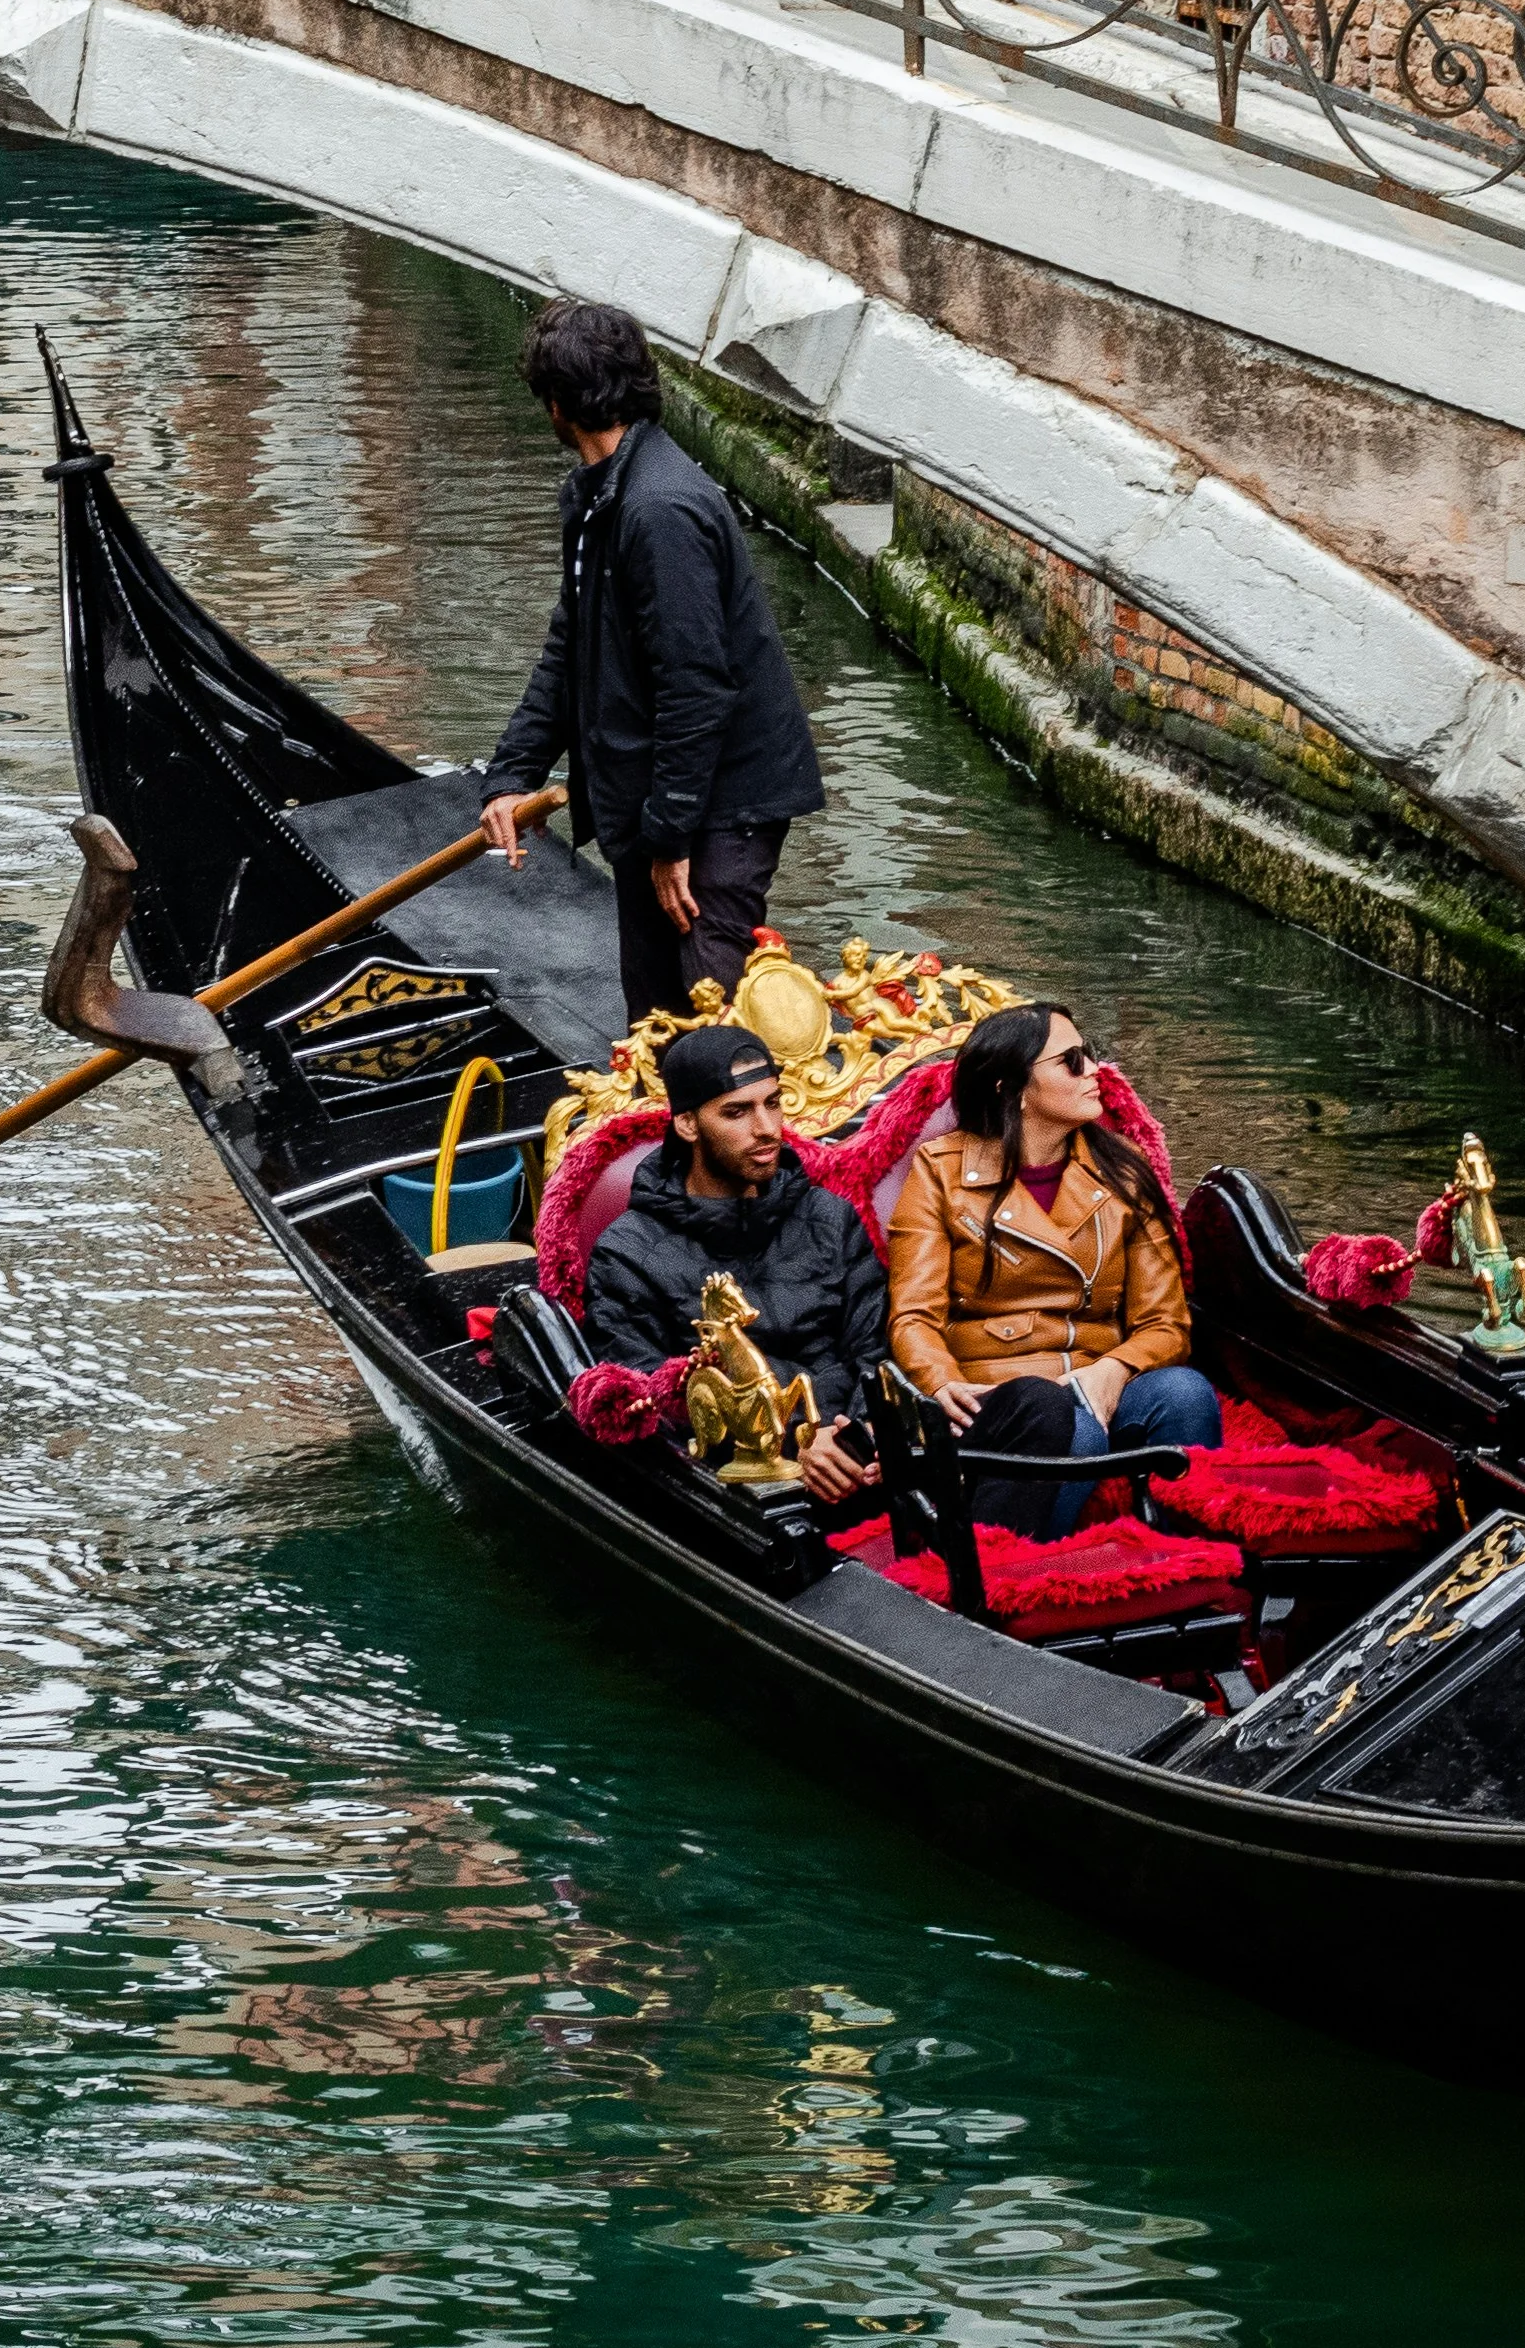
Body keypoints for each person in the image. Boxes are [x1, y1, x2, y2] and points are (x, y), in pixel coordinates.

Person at [472, 300, 825, 1019]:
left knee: (707, 1023)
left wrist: (669, 838)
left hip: (724, 804)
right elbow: (570, 646)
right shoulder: (602, 497)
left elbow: (696, 687)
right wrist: (513, 774)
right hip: (656, 798)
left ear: (556, 405)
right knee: (654, 1019)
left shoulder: (656, 511)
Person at [883, 999, 1218, 1535]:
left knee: (1185, 1394)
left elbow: (1166, 1323)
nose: (1095, 1072)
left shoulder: (1123, 1170)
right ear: (1010, 1089)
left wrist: (1115, 1370)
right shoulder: (940, 1173)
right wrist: (940, 1383)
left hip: (1097, 1371)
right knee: (1073, 1432)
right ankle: (1027, 1579)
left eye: (1089, 1055)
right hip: (1000, 1393)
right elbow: (913, 1316)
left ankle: (1188, 1562)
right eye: (1071, 1062)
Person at [575, 1021, 884, 1508]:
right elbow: (655, 1395)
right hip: (745, 1489)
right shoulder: (628, 1254)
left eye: (773, 1102)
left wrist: (859, 1436)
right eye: (737, 1112)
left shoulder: (829, 1217)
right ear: (688, 1124)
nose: (766, 1129)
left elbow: (876, 1346)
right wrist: (797, 1445)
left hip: (862, 1453)